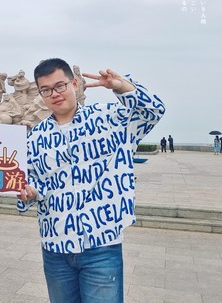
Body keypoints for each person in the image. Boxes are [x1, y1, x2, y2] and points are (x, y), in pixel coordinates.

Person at [17, 59, 165, 303]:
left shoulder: (109, 119)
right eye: (46, 90)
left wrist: (122, 86)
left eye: (60, 86)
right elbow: (35, 181)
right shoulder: (35, 137)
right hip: (55, 247)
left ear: (74, 83)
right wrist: (30, 192)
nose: (54, 94)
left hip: (101, 245)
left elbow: (153, 111)